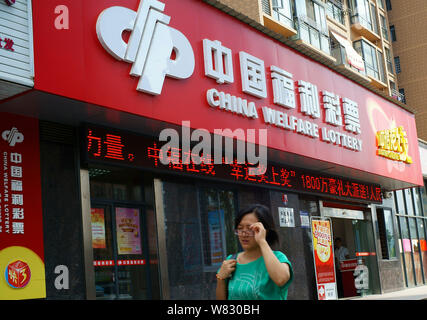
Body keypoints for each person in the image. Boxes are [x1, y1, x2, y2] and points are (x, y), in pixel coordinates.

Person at [216, 204, 293, 300]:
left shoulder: (278, 258)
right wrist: (220, 278)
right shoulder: (231, 260)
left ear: (265, 231)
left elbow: (281, 279)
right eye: (240, 229)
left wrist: (262, 241)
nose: (244, 234)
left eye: (250, 229)